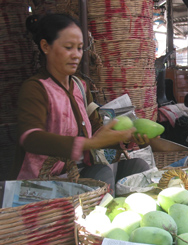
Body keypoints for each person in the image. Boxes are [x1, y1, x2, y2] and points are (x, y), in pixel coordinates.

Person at [9, 13, 152, 194]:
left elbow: (97, 128)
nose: (76, 55)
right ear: (45, 46)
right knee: (99, 174)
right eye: (69, 47)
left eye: (79, 48)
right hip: (42, 183)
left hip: (78, 173)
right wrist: (86, 144)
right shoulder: (36, 88)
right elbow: (30, 138)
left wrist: (124, 137)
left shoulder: (79, 86)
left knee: (137, 167)